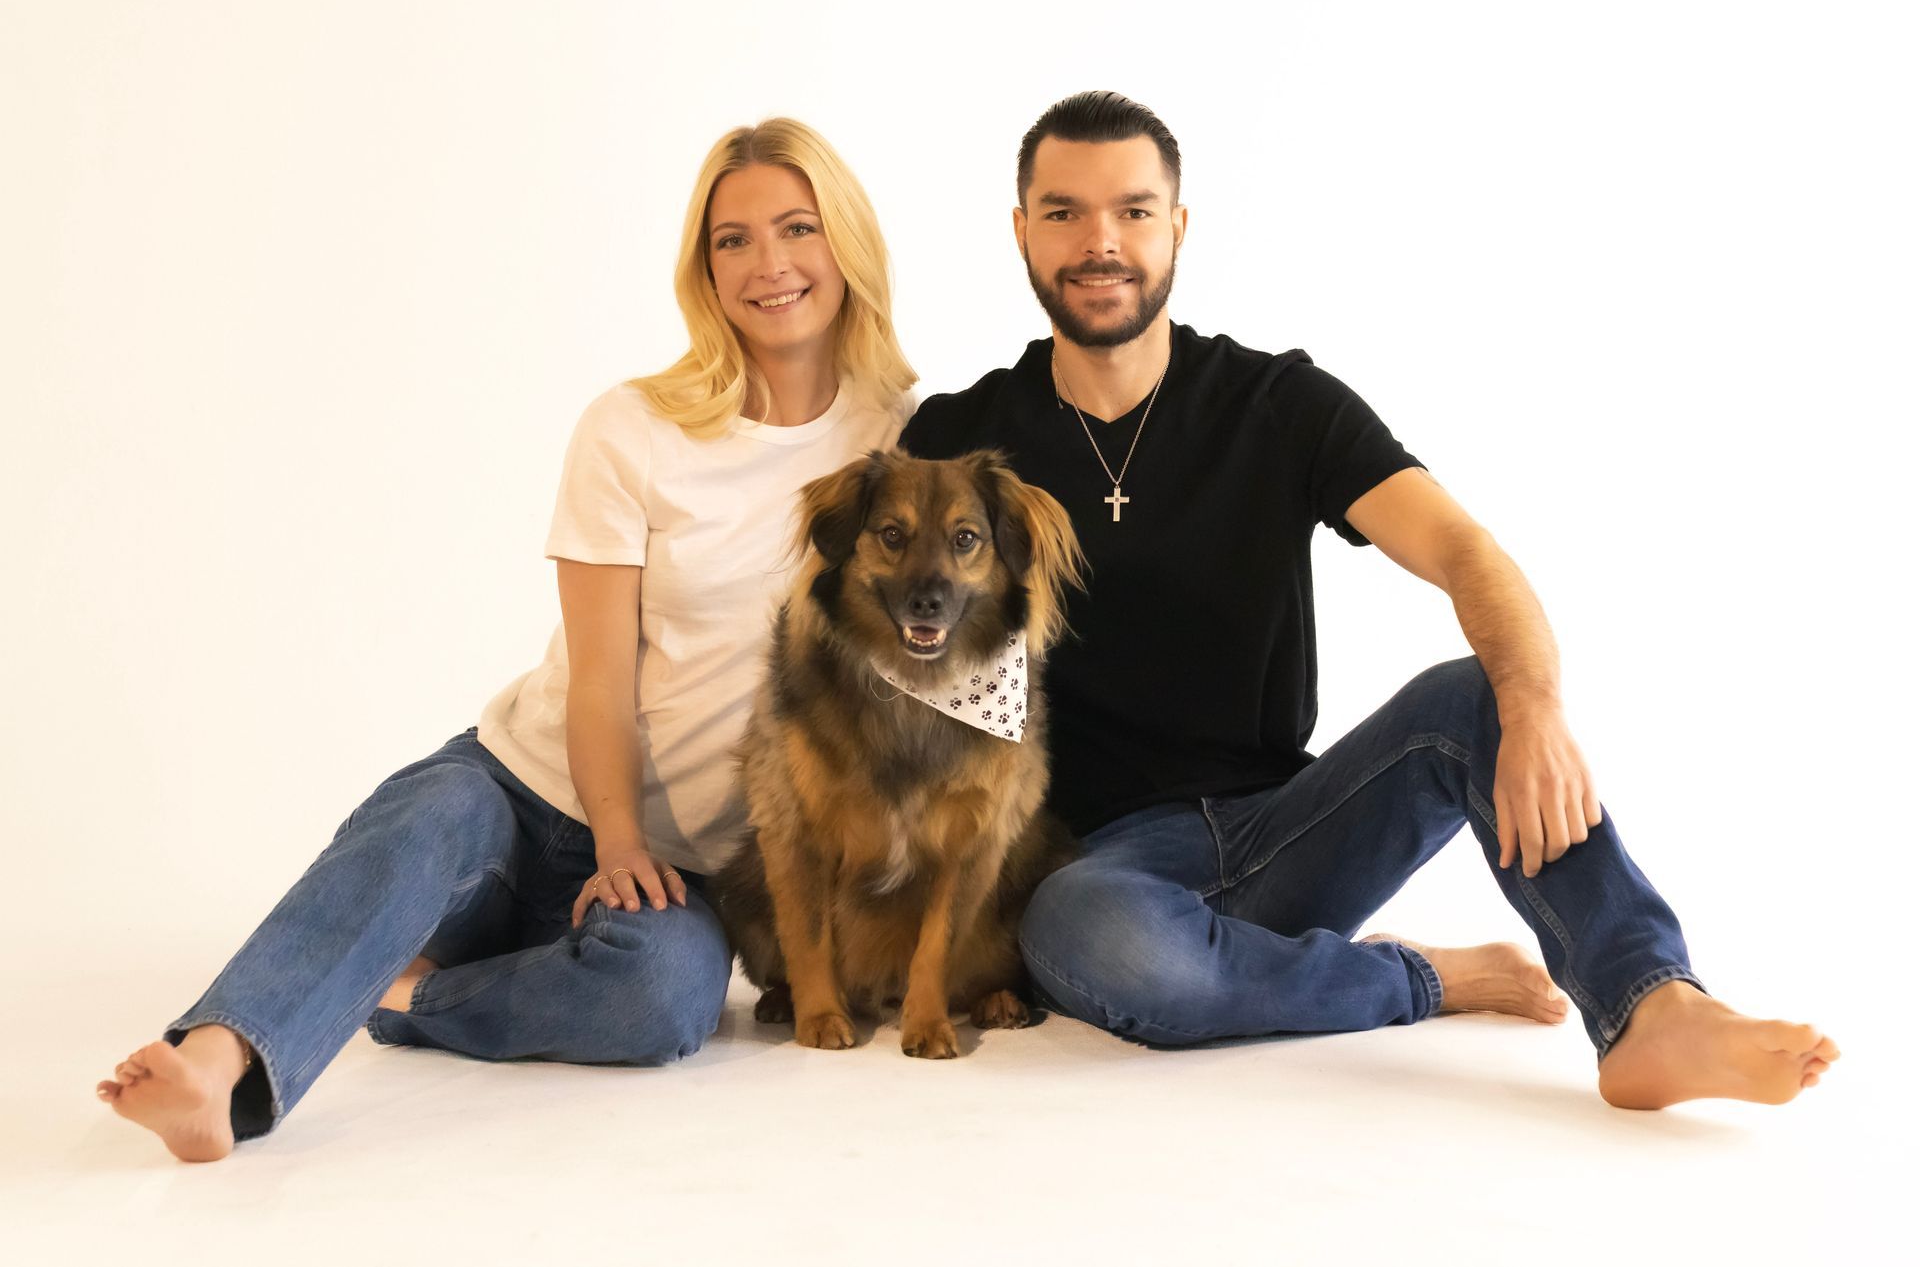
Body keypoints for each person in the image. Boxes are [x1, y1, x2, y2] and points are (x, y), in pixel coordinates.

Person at [897, 90, 1839, 1109]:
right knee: (1093, 938)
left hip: (1288, 828)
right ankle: (1422, 977)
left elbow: (1464, 550)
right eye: (1064, 212)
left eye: (1133, 210)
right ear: (1021, 231)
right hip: (1091, 862)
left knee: (1475, 696)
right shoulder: (956, 438)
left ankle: (1651, 1005)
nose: (1101, 242)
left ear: (1178, 226)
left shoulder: (1278, 404)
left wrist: (1533, 705)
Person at [97, 118, 917, 1160]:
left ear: (847, 239)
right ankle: (216, 1066)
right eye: (733, 239)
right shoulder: (634, 427)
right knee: (431, 820)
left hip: (689, 866)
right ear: (704, 269)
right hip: (526, 797)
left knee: (665, 998)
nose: (770, 263)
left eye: (798, 228)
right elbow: (600, 675)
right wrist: (613, 840)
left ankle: (401, 993)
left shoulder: (901, 440)